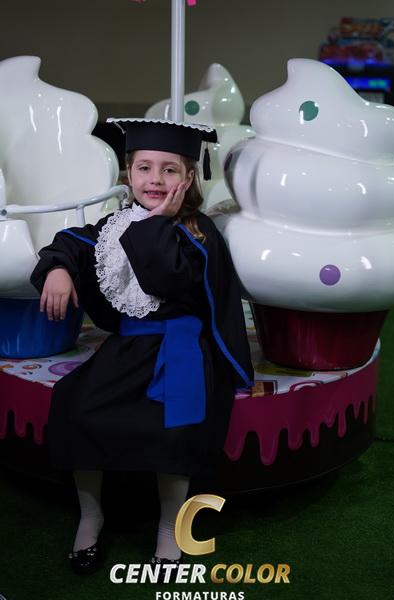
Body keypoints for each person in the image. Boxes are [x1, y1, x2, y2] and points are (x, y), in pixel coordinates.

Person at [30, 119, 254, 577]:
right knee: (77, 408)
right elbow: (72, 244)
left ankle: (170, 528)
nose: (155, 179)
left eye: (169, 170)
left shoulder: (198, 233)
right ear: (128, 174)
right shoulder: (117, 225)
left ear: (188, 177)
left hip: (182, 352)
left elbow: (165, 278)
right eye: (144, 168)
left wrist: (157, 224)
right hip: (129, 349)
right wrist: (58, 269)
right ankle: (91, 516)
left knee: (174, 430)